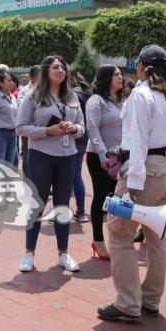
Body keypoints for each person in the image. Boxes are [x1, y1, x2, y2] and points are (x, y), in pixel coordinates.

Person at [97, 45, 166, 322]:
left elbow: (137, 141)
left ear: (142, 67)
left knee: (120, 234)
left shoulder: (141, 95)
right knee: (157, 238)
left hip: (147, 171)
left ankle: (127, 303)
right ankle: (150, 299)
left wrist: (132, 185)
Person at [16, 55, 86, 273]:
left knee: (62, 205)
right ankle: (29, 253)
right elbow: (20, 128)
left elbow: (83, 127)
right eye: (56, 67)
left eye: (63, 67)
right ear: (46, 71)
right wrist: (47, 131)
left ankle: (63, 254)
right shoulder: (33, 96)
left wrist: (74, 129)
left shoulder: (72, 97)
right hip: (41, 156)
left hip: (68, 157)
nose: (61, 70)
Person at [86, 64, 125, 260]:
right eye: (116, 74)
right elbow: (92, 129)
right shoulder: (96, 100)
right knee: (101, 197)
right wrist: (103, 155)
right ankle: (98, 240)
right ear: (106, 78)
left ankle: (116, 237)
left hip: (120, 158)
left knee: (117, 198)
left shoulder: (121, 101)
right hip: (99, 158)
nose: (120, 77)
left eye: (120, 73)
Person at [70, 71, 91, 223]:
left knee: (72, 175)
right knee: (76, 175)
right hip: (84, 137)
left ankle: (80, 210)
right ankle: (81, 210)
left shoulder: (74, 96)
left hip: (74, 137)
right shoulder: (87, 94)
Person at [18, 65, 41, 177]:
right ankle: (28, 179)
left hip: (43, 129)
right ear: (35, 76)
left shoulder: (45, 90)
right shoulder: (25, 91)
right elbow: (22, 109)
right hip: (29, 128)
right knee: (28, 153)